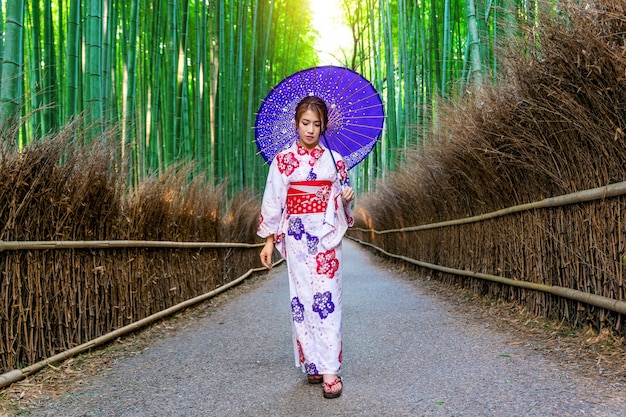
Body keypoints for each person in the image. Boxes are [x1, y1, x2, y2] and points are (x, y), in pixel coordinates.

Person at [257, 96, 355, 399]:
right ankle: (313, 362)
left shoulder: (336, 160)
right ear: (296, 124)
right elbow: (274, 201)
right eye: (305, 123)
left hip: (326, 236)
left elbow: (345, 205)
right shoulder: (284, 160)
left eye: (316, 124)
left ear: (324, 125)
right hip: (297, 237)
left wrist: (347, 198)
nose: (310, 130)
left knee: (328, 298)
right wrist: (269, 241)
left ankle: (330, 371)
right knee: (302, 299)